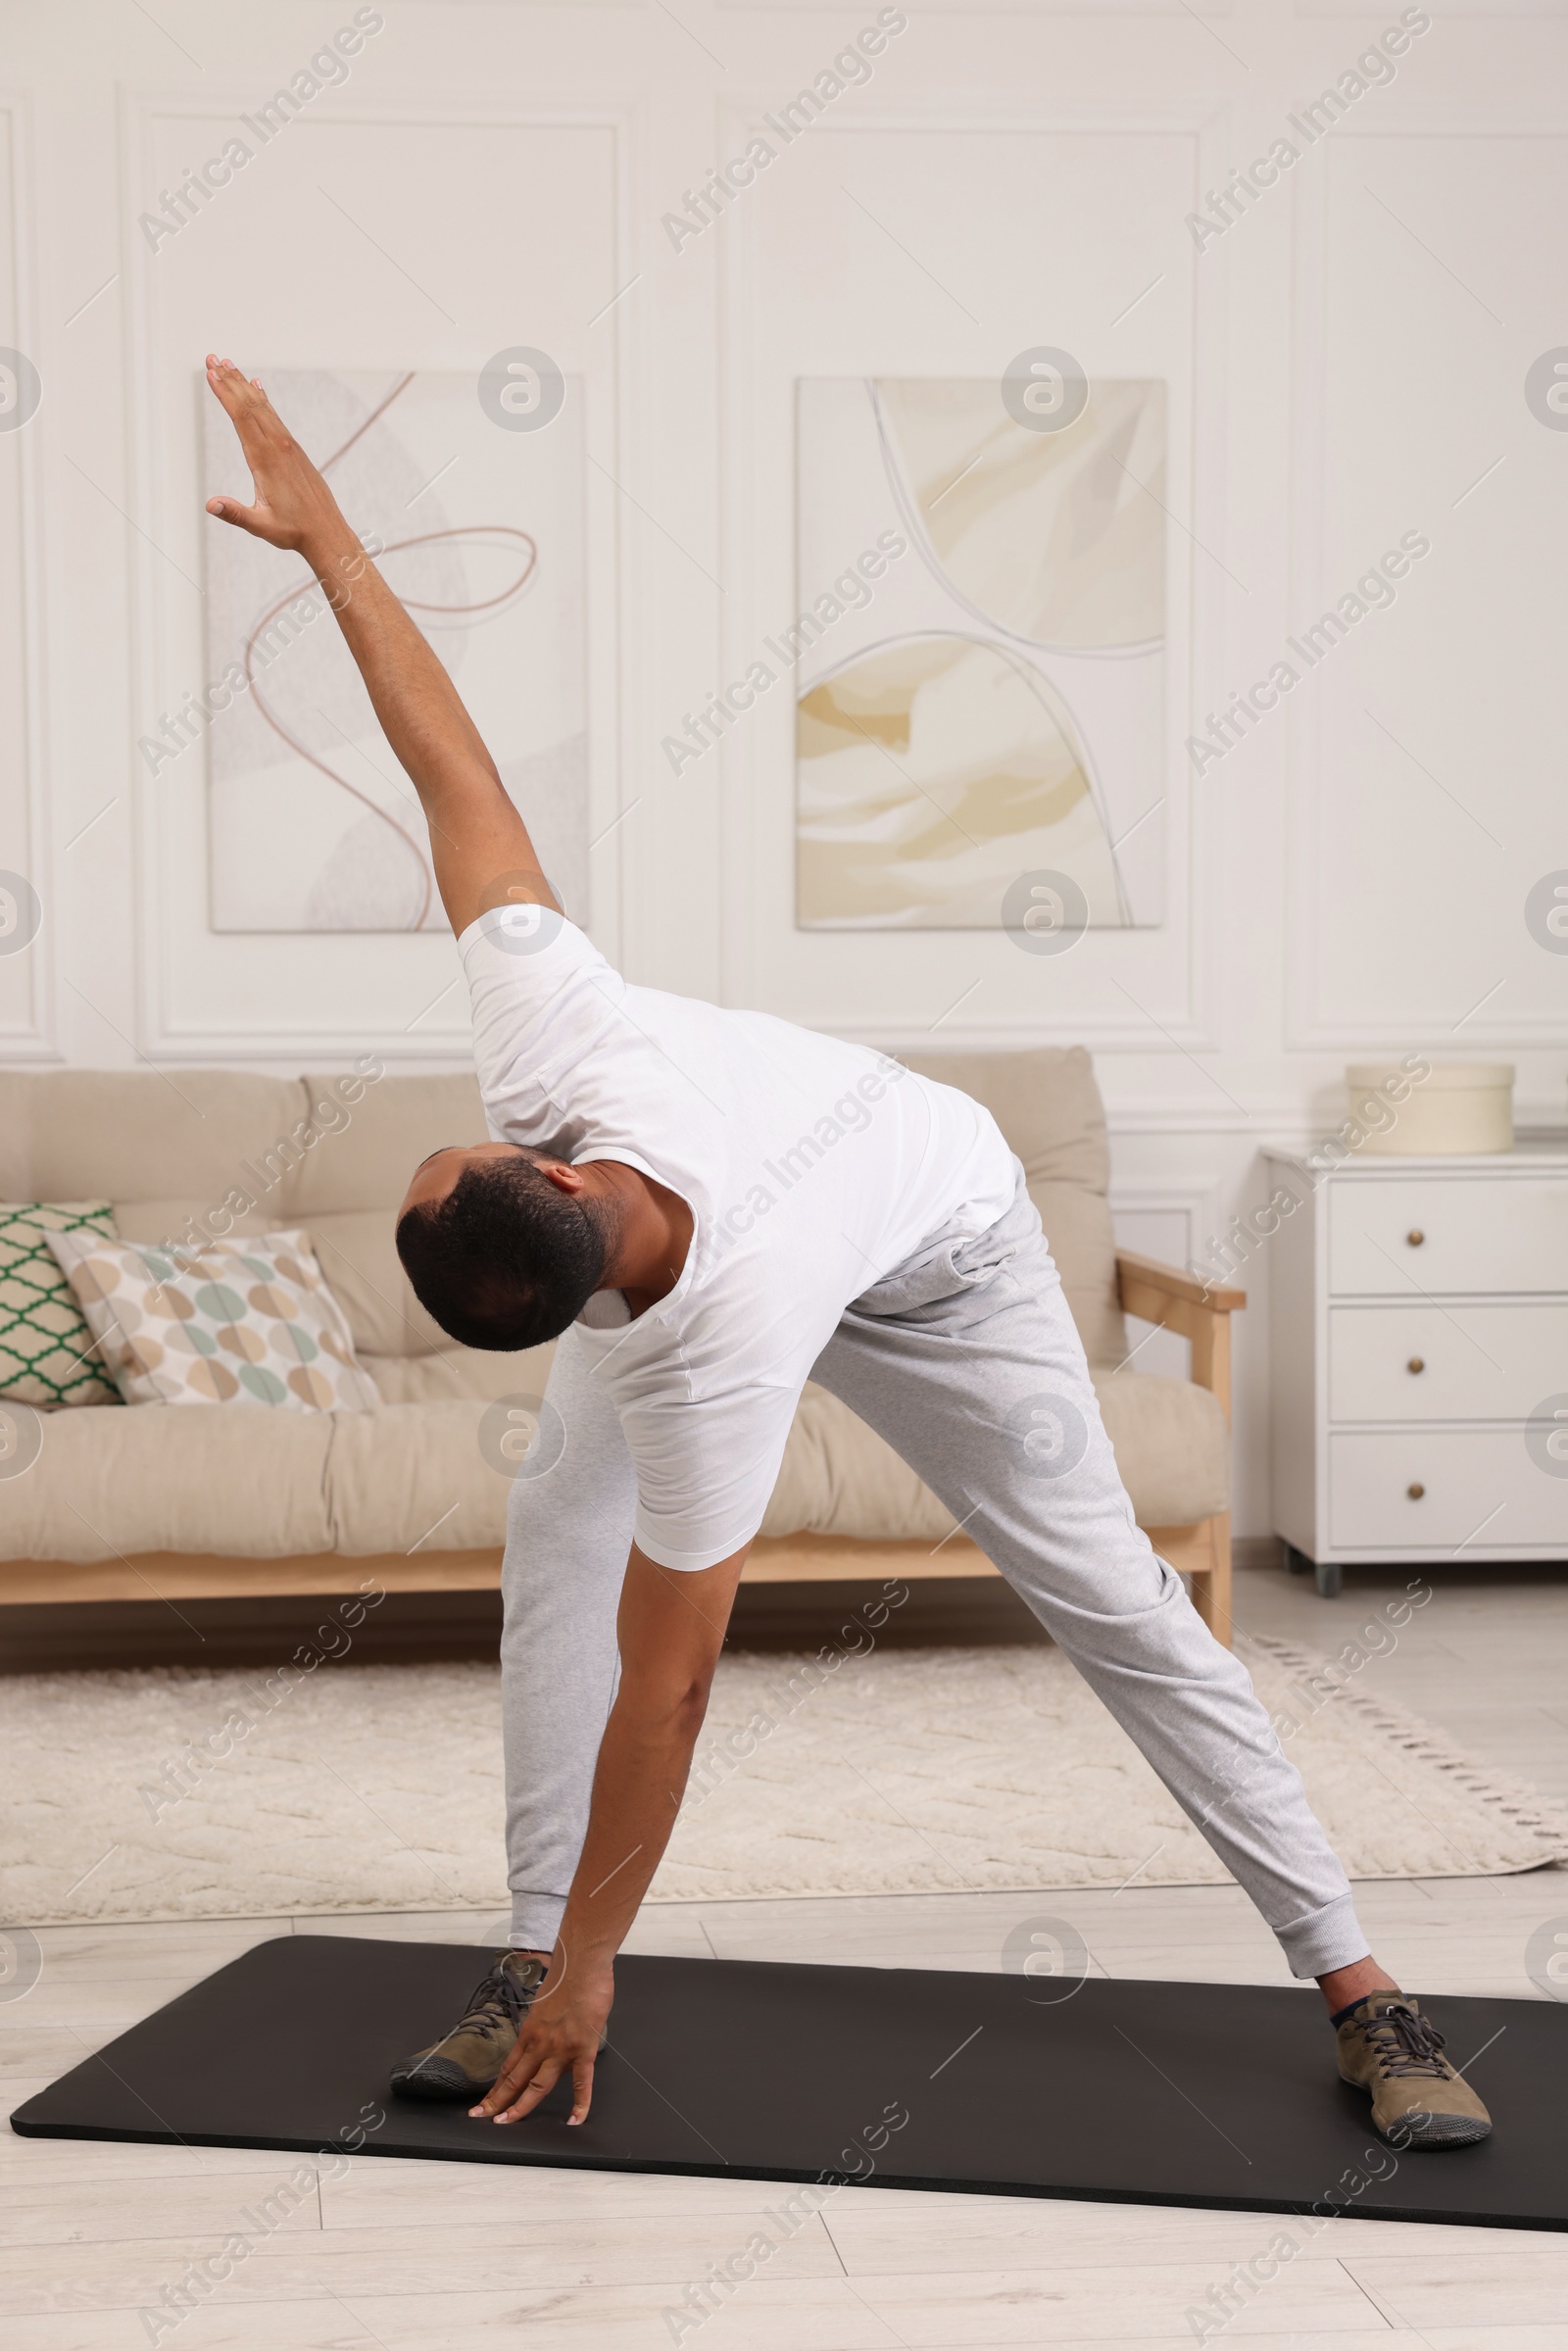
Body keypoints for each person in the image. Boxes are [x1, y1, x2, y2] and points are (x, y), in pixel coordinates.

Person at [202, 355, 1492, 2153]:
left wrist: (330, 542)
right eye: (470, 1146)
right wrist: (587, 1959)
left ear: (558, 1168)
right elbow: (674, 1681)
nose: (487, 1117)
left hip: (939, 1242)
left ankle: (1364, 1984)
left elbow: (450, 773)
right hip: (717, 1268)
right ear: (540, 1200)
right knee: (561, 1547)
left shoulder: (572, 1070)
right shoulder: (629, 1279)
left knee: (1115, 1595)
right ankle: (524, 1954)